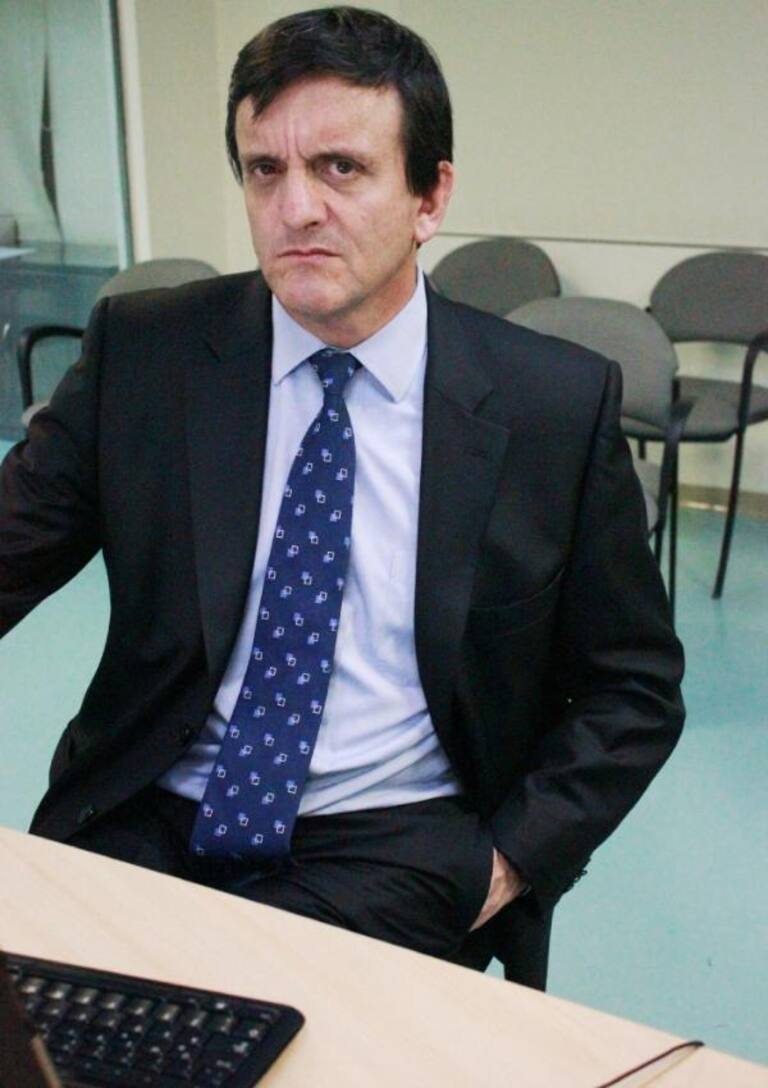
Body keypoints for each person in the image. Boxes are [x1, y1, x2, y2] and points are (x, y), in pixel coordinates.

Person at [0, 6, 684, 989]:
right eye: (264, 170)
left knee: (272, 1023)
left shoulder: (551, 405)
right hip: (144, 811)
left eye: (341, 168)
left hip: (390, 843)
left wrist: (505, 864)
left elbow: (633, 688)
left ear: (430, 196)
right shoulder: (146, 355)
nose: (297, 208)